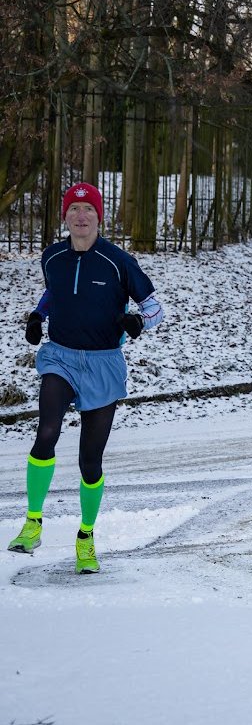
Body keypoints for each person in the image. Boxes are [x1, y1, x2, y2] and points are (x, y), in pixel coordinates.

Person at [8, 183, 166, 573]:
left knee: (89, 461)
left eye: (88, 210)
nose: (81, 216)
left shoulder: (117, 261)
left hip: (103, 363)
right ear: (65, 216)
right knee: (46, 432)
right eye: (74, 209)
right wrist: (36, 316)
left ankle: (86, 537)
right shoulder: (52, 257)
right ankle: (32, 522)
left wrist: (137, 321)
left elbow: (156, 308)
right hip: (59, 357)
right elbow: (53, 292)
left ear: (99, 217)